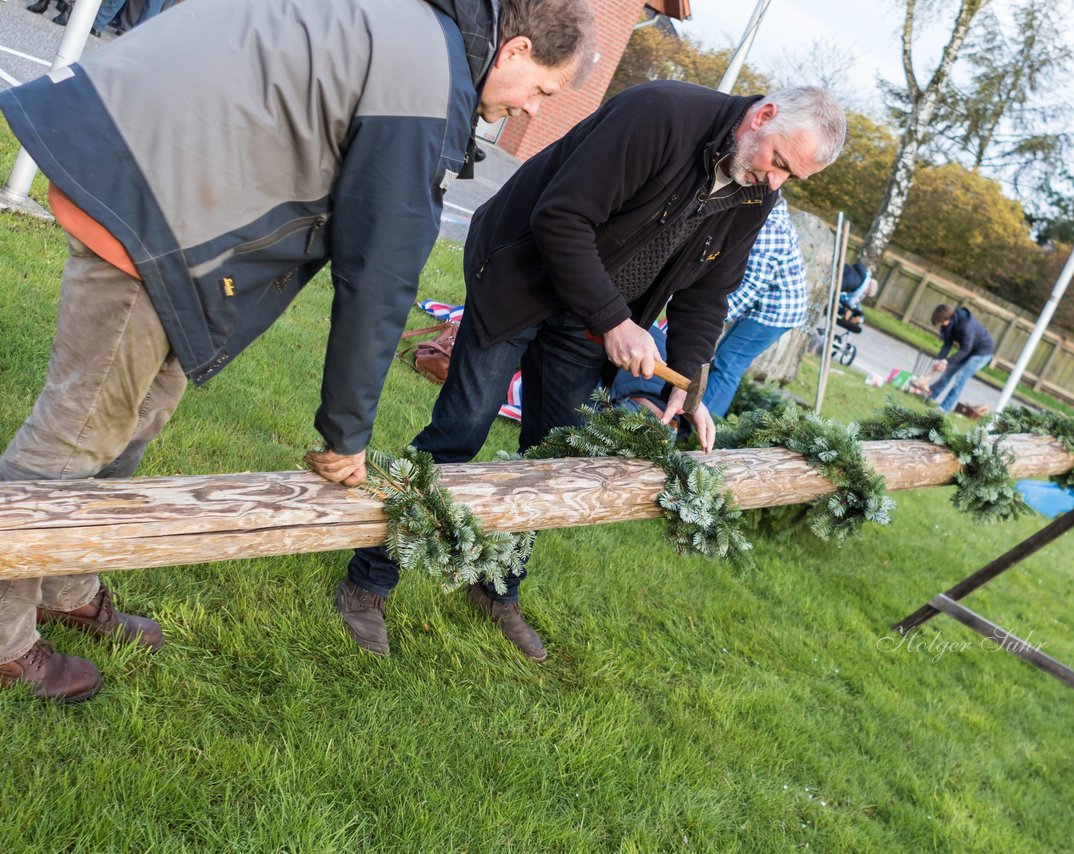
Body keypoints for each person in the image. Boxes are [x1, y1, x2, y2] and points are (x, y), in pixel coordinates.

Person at [0, 0, 593, 703]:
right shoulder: (427, 76)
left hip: (169, 175)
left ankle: (63, 582)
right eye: (543, 90)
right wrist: (347, 435)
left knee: (143, 410)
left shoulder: (431, 45)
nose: (531, 109)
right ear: (516, 49)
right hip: (148, 185)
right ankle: (5, 638)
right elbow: (379, 270)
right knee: (77, 432)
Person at [339, 82, 846, 661]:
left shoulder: (757, 194)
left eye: (792, 177)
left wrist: (691, 384)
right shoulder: (659, 116)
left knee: (551, 457)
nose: (776, 182)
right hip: (517, 278)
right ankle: (368, 583)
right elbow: (562, 217)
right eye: (778, 162)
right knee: (461, 430)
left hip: (587, 321)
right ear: (764, 116)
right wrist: (614, 321)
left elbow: (708, 293)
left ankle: (497, 587)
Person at [700, 195, 808, 418]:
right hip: (769, 305)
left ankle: (697, 427)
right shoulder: (768, 218)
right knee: (723, 356)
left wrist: (714, 316)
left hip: (774, 313)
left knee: (728, 363)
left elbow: (752, 285)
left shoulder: (771, 229)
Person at [927, 304, 996, 412]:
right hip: (969, 349)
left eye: (941, 323)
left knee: (961, 377)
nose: (941, 326)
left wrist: (947, 361)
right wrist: (940, 359)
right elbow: (947, 344)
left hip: (983, 352)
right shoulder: (949, 326)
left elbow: (965, 349)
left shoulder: (966, 324)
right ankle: (930, 397)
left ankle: (944, 408)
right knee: (949, 372)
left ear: (948, 318)